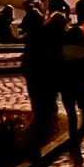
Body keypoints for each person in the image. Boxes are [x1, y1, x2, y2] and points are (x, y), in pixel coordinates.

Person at [23, 9, 63, 158]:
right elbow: (58, 61)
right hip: (48, 80)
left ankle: (33, 145)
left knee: (39, 110)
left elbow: (27, 59)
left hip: (35, 77)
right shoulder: (57, 38)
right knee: (45, 113)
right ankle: (34, 145)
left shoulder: (37, 35)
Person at [59, 14, 84, 152]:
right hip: (82, 87)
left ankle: (73, 139)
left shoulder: (60, 52)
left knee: (71, 115)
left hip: (66, 87)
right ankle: (77, 140)